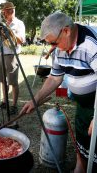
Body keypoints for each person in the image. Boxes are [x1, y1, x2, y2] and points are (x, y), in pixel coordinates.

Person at [20, 12, 97, 172]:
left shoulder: (92, 44)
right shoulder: (59, 49)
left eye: (54, 42)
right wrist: (36, 99)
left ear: (66, 31)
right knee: (82, 145)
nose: (52, 48)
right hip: (83, 105)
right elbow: (55, 79)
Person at [0, 2, 25, 115]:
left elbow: (21, 40)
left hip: (12, 55)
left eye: (9, 10)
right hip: (1, 54)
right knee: (3, 81)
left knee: (13, 82)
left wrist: (9, 31)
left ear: (12, 11)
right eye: (5, 11)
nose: (6, 13)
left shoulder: (19, 23)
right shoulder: (1, 23)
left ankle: (14, 105)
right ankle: (5, 101)